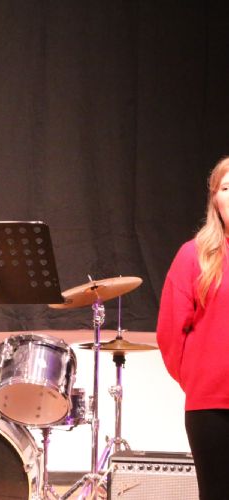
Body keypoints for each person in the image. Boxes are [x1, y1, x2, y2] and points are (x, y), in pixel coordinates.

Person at [157, 155, 229, 499]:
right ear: (215, 200)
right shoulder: (194, 255)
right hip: (212, 406)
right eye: (226, 187)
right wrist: (199, 379)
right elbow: (170, 333)